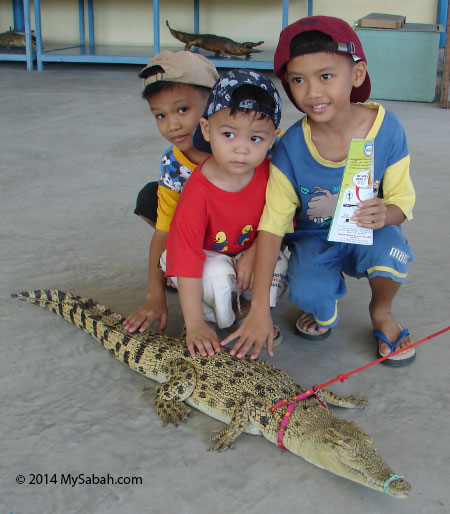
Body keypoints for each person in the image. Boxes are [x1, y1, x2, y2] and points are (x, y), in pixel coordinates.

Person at [223, 16, 416, 367]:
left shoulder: (387, 129)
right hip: (314, 239)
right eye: (298, 80)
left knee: (393, 252)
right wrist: (261, 308)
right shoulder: (290, 148)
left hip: (371, 233)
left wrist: (386, 214)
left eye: (326, 76)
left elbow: (403, 200)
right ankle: (324, 312)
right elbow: (272, 224)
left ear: (357, 74)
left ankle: (382, 311)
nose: (311, 92)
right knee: (310, 292)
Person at [162, 69, 288, 358]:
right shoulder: (198, 189)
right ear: (206, 130)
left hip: (248, 250)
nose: (241, 148)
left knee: (276, 264)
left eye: (256, 138)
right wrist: (193, 324)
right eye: (228, 134)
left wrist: (255, 252)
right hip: (208, 255)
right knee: (217, 275)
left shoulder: (272, 175)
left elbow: (279, 226)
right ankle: (207, 316)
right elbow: (186, 254)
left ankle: (251, 313)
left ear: (273, 139)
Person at [123, 51, 219, 334]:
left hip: (247, 232)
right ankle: (179, 270)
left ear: (214, 102)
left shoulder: (244, 147)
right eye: (160, 115)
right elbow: (162, 233)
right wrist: (155, 297)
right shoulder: (173, 162)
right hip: (203, 232)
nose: (172, 125)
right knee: (150, 198)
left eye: (182, 110)